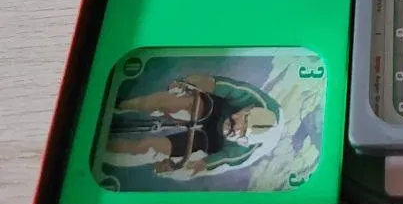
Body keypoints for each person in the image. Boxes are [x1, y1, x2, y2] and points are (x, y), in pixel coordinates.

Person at [102, 73, 281, 182]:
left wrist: (173, 169)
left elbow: (199, 167)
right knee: (170, 102)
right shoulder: (252, 98)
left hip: (216, 142)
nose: (230, 128)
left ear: (245, 142)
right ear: (248, 108)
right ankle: (118, 105)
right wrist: (184, 83)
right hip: (222, 107)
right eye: (235, 121)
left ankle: (100, 152)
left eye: (236, 133)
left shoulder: (241, 153)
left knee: (148, 150)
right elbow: (211, 83)